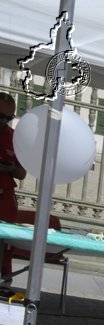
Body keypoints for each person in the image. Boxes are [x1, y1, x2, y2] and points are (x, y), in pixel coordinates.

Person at [0, 94, 22, 288]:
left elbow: (22, 173)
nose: (3, 121)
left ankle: (4, 283)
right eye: (0, 116)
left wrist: (10, 169)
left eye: (8, 117)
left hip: (5, 197)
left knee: (6, 243)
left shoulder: (14, 137)